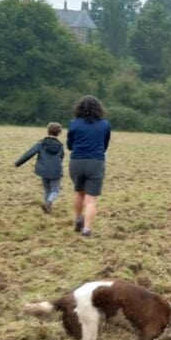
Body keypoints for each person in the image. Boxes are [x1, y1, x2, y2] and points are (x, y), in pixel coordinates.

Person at [67, 95, 111, 238]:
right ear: (99, 109)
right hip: (96, 162)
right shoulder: (105, 124)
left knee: (79, 192)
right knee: (91, 199)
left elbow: (69, 145)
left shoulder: (74, 123)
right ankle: (87, 229)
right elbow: (105, 145)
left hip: (77, 162)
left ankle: (78, 219)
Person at [14, 122, 64, 214]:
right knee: (55, 190)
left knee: (47, 190)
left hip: (44, 170)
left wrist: (18, 163)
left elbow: (29, 153)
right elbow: (61, 158)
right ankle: (48, 204)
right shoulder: (60, 146)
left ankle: (47, 207)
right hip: (56, 171)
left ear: (48, 131)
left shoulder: (41, 143)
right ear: (59, 133)